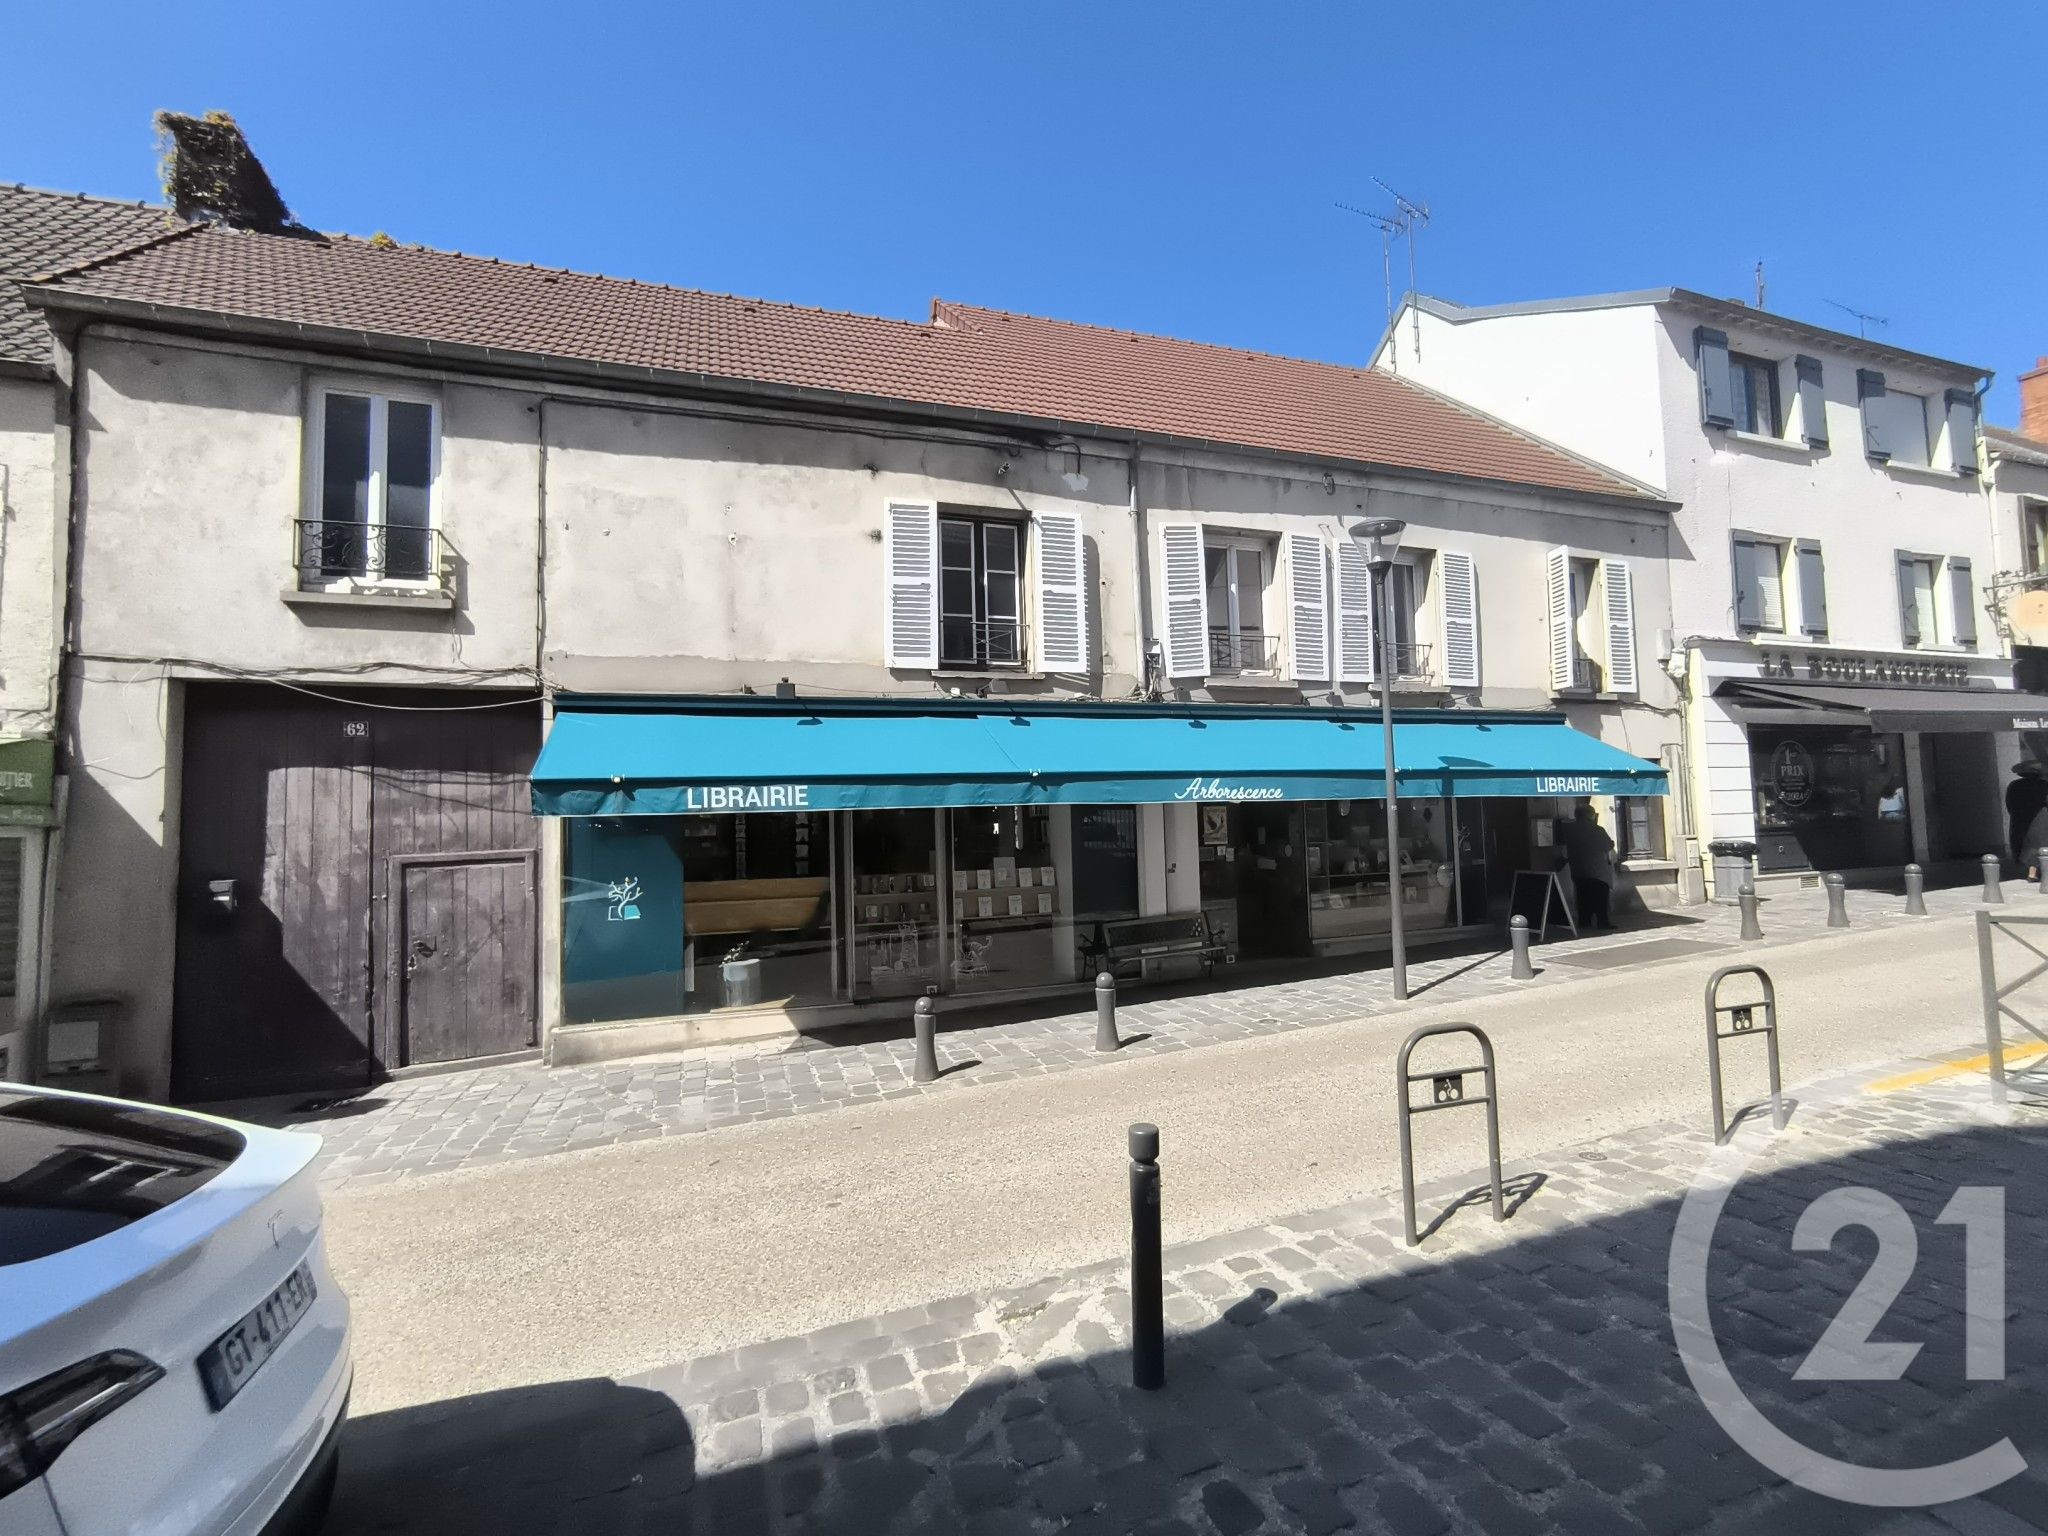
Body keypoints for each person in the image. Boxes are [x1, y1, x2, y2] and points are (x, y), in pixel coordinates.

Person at [1560, 801, 1618, 931]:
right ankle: (1602, 922)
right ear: (1591, 815)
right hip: (1597, 872)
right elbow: (1608, 846)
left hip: (1578, 870)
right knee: (1600, 898)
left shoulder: (1570, 830)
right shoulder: (1597, 830)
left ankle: (1584, 922)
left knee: (1582, 898)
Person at [2008, 761, 2048, 865]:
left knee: (2023, 847)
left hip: (2018, 820)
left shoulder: (2014, 785)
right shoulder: (2044, 785)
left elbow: (2010, 805)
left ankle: (2029, 869)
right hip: (2039, 820)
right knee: (2039, 847)